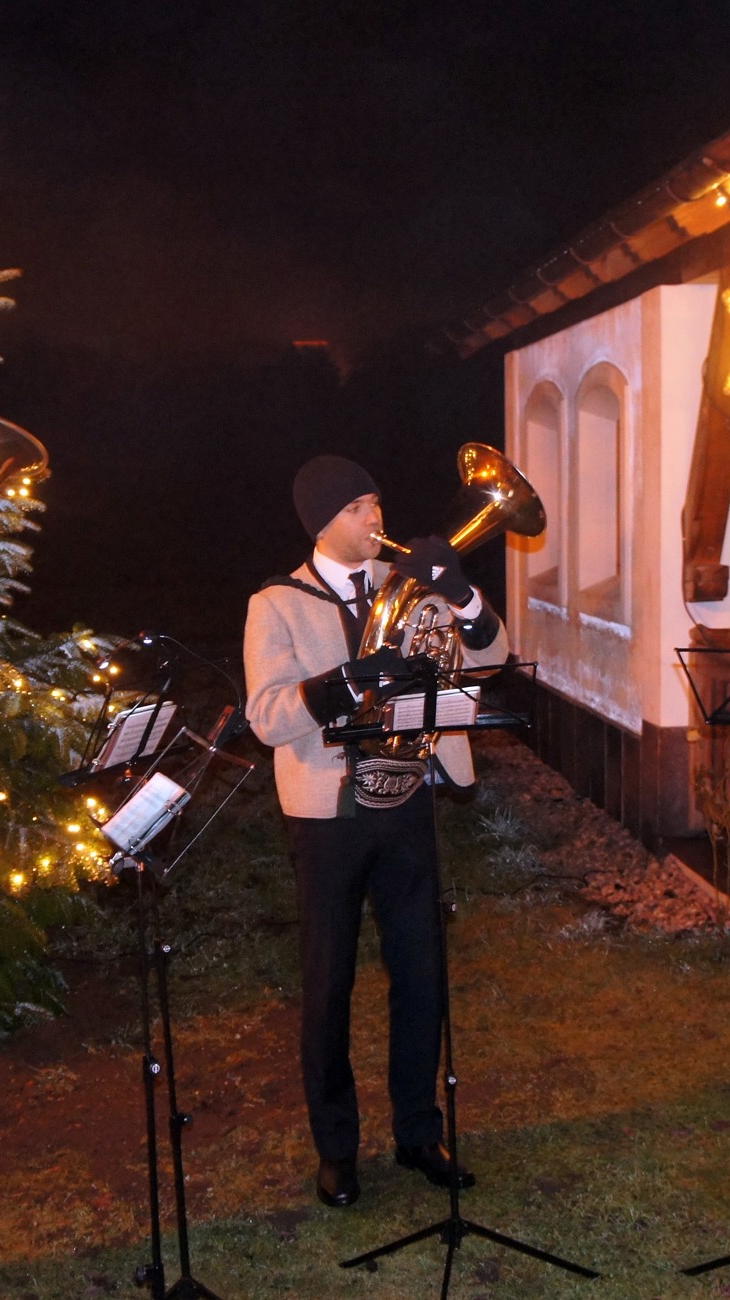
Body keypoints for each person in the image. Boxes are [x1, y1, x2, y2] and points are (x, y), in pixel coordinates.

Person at [244, 454, 509, 1209]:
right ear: (322, 522)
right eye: (358, 508)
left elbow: (490, 659)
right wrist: (347, 682)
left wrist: (461, 594)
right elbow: (266, 715)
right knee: (329, 984)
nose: (375, 519)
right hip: (328, 814)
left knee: (421, 975)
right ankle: (337, 1149)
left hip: (408, 800)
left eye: (376, 503)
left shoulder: (410, 588)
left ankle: (419, 1132)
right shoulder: (277, 603)